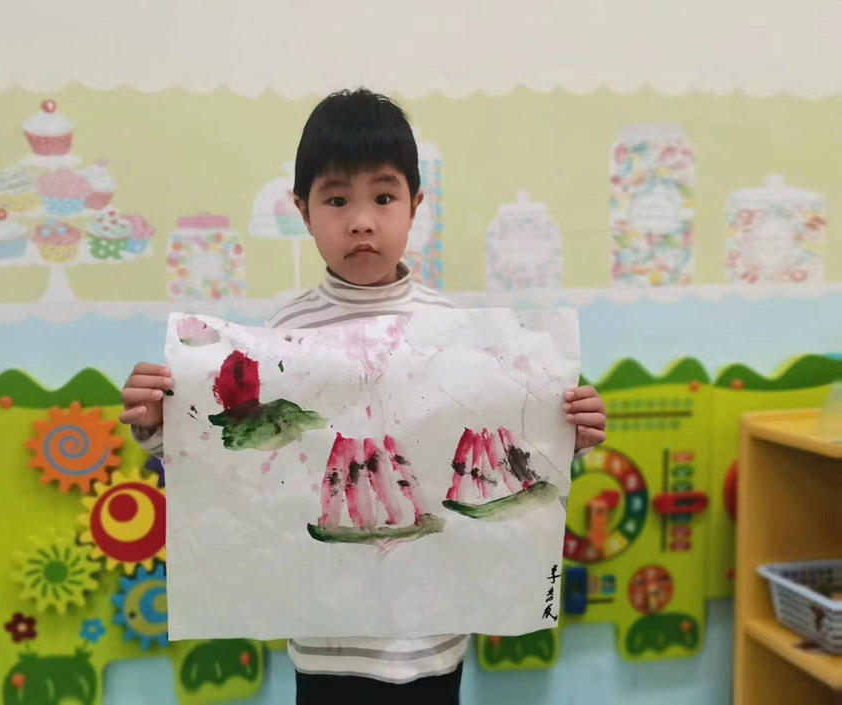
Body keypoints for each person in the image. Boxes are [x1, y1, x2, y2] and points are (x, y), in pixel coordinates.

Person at [121, 88, 607, 705]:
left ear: (415, 205)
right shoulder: (279, 337)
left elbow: (504, 456)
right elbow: (233, 464)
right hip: (326, 641)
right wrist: (161, 426)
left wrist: (571, 435)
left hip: (433, 639)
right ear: (303, 211)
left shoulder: (455, 332)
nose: (361, 220)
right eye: (336, 200)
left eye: (383, 197)